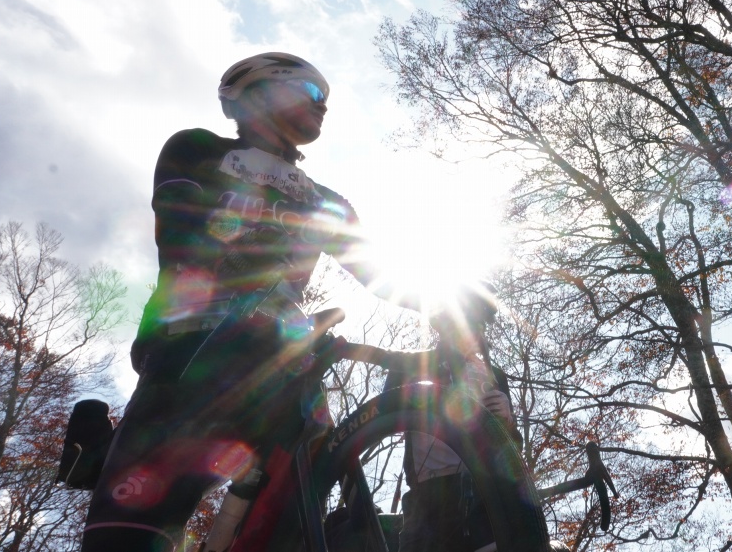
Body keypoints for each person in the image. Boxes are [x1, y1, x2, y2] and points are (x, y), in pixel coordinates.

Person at [81, 52, 405, 551]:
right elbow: (178, 224)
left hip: (279, 362)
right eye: (313, 93)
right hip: (189, 352)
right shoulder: (197, 149)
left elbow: (380, 274)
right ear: (258, 93)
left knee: (294, 520)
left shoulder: (326, 202)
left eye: (328, 100)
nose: (324, 107)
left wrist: (452, 308)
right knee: (132, 528)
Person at [392, 286, 521, 552]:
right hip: (428, 495)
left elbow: (512, 451)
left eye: (480, 324)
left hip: (482, 494)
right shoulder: (415, 365)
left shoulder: (494, 375)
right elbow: (386, 417)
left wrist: (507, 422)